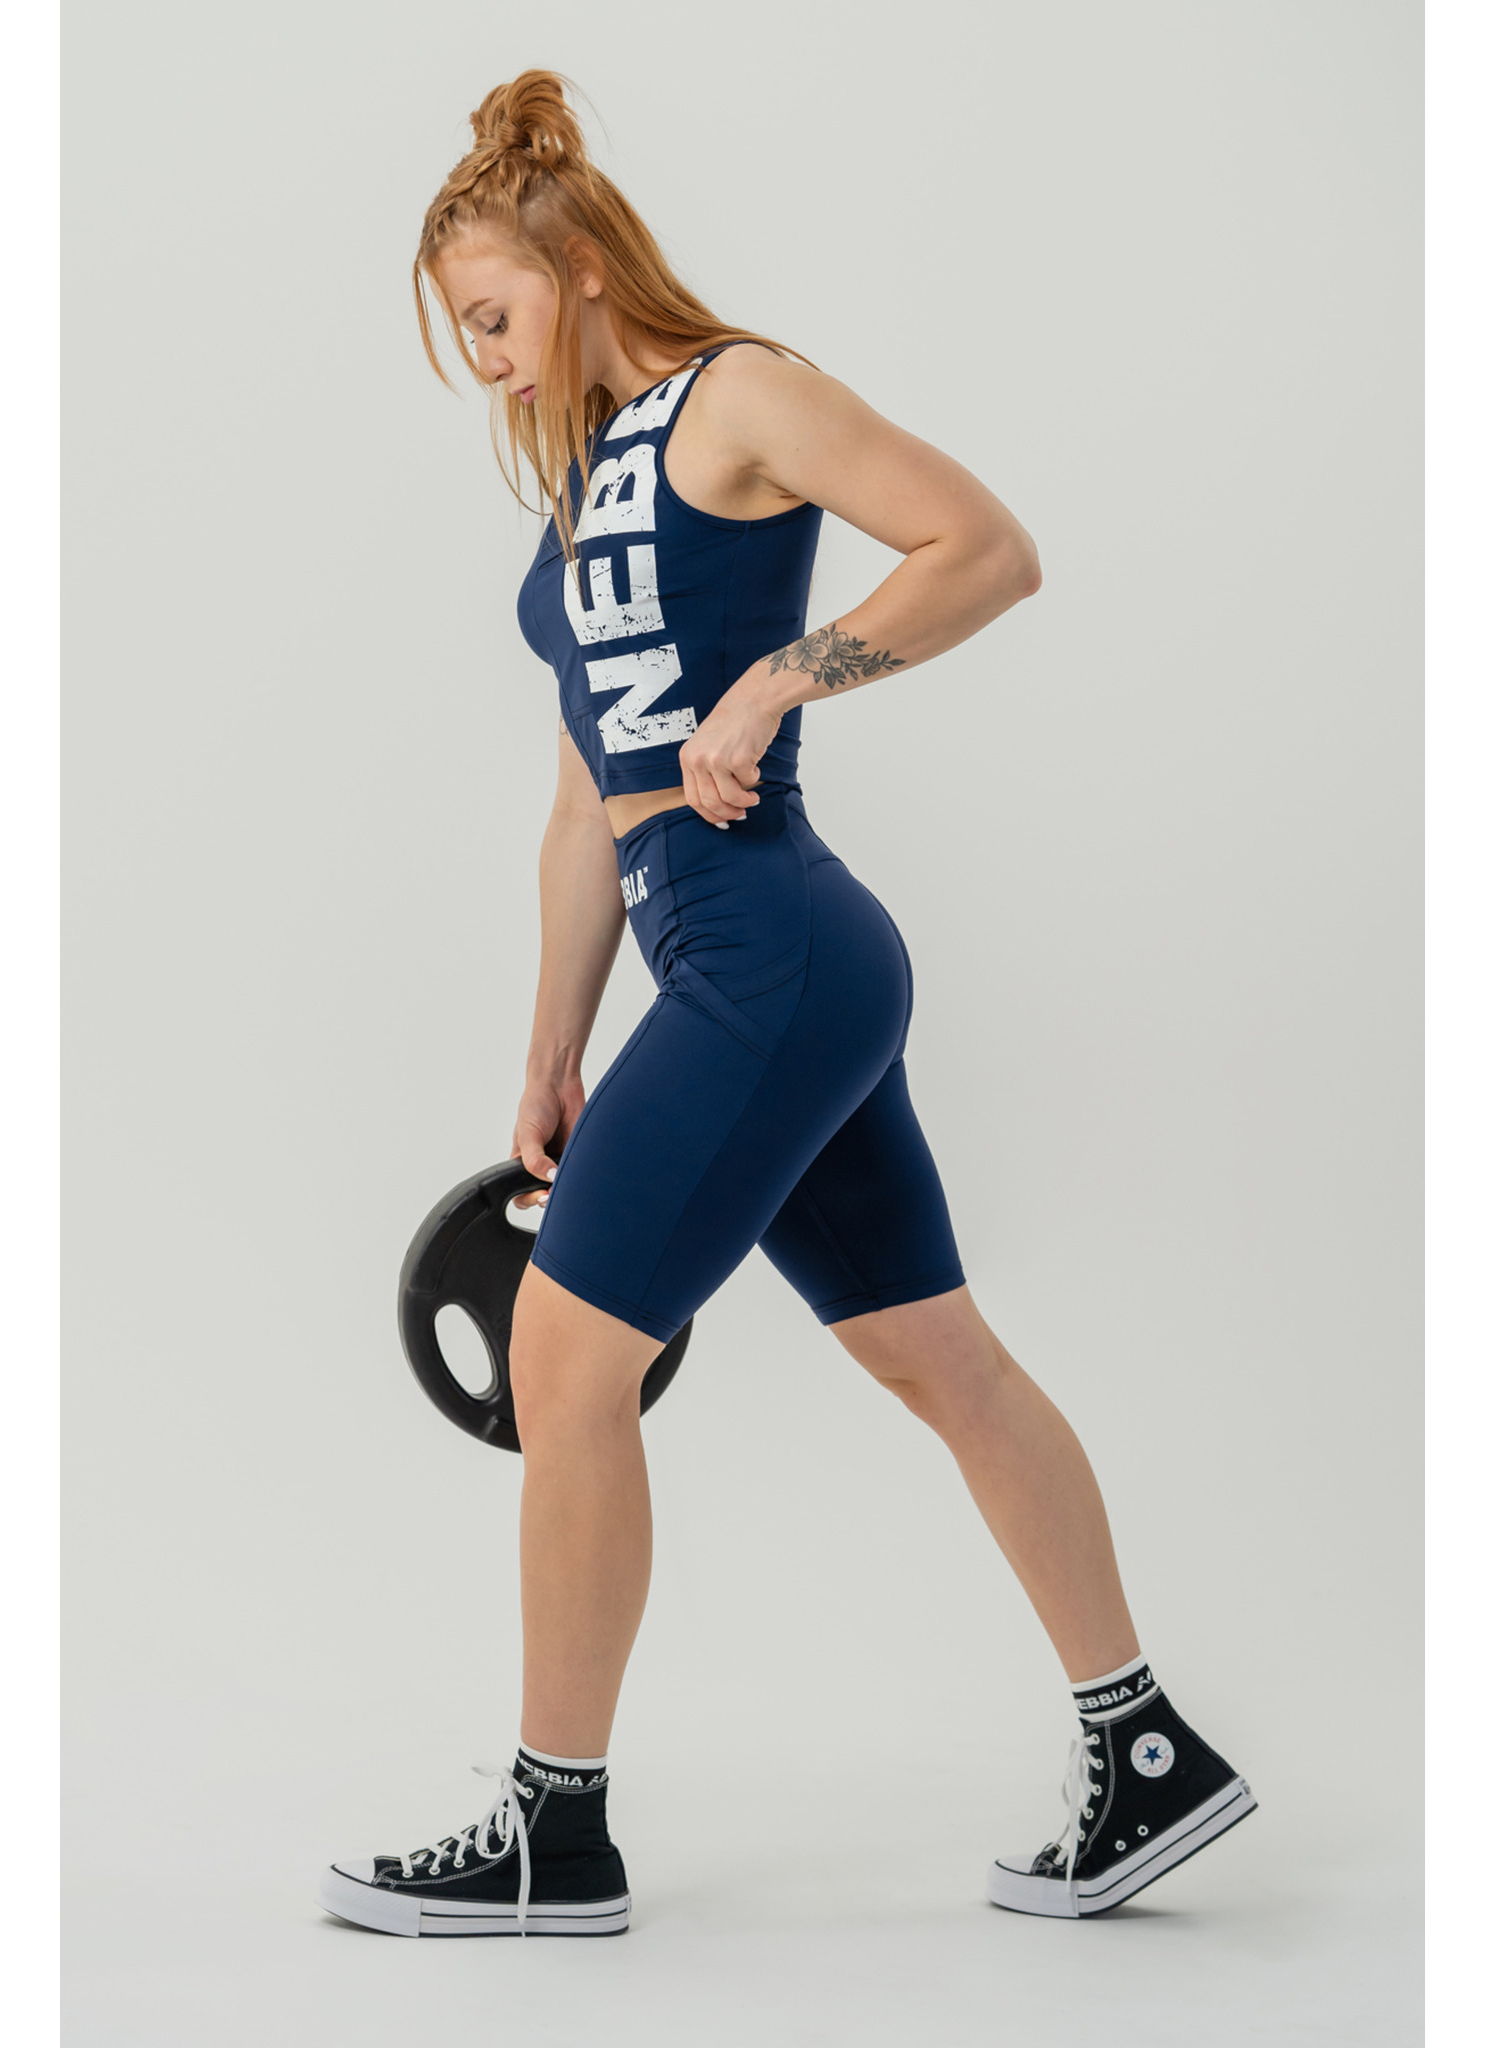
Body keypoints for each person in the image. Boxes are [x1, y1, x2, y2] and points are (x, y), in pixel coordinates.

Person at [318, 69, 1255, 1940]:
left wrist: (781, 682)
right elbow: (586, 806)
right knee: (938, 1358)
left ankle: (554, 1833)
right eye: (463, 338)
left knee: (567, 1364)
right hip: (727, 962)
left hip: (778, 948)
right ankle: (1150, 1752)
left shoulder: (734, 396)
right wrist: (552, 1052)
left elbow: (984, 546)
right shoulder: (584, 488)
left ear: (580, 270)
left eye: (492, 319)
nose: (484, 364)